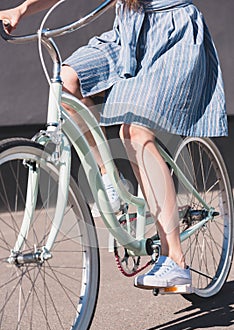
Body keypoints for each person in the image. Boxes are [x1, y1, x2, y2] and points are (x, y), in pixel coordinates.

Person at [0, 0, 227, 290]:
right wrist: (21, 9)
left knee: (134, 133)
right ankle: (109, 181)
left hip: (171, 31)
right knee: (66, 83)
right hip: (128, 31)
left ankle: (175, 261)